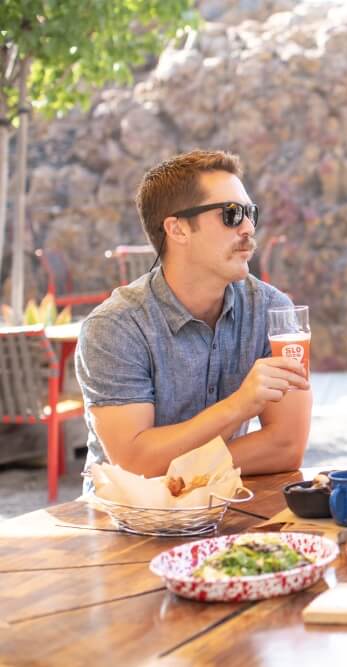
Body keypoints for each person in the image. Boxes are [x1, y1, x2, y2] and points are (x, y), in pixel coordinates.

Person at [76, 150, 311, 484]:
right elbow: (134, 463)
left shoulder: (271, 310)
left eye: (250, 213)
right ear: (178, 229)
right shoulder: (116, 327)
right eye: (231, 214)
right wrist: (239, 405)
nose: (247, 227)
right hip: (126, 522)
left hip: (223, 505)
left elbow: (286, 447)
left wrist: (175, 466)